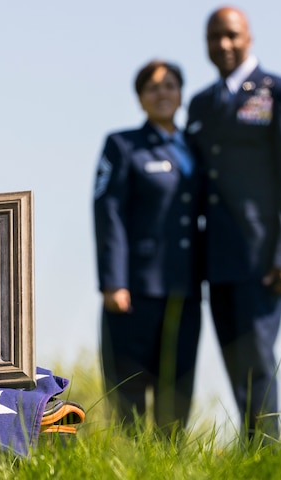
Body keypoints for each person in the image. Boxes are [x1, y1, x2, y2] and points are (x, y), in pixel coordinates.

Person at [184, 6, 281, 442]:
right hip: (216, 257)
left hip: (263, 257)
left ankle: (267, 456)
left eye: (231, 35)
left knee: (257, 360)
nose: (223, 44)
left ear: (249, 38)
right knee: (233, 360)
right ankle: (252, 451)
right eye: (214, 37)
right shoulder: (202, 104)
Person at [93, 59, 202, 432]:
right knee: (129, 394)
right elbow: (108, 212)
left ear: (181, 94)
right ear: (140, 98)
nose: (163, 93)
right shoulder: (123, 146)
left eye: (170, 85)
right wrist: (113, 282)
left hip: (186, 291)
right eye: (153, 87)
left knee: (178, 389)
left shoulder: (196, 148)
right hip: (134, 290)